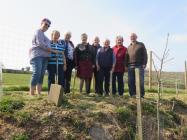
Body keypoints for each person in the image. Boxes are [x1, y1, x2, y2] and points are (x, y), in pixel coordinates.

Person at [29, 18, 55, 96]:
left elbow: (47, 44)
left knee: (41, 74)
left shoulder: (45, 36)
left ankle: (39, 92)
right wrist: (50, 49)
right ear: (41, 23)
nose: (46, 26)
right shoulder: (38, 31)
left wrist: (48, 50)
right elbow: (40, 43)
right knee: (37, 73)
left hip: (45, 57)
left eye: (48, 26)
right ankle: (32, 93)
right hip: (37, 55)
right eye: (45, 24)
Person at [125, 33, 147, 98]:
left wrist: (144, 63)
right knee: (130, 81)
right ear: (130, 38)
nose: (132, 38)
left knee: (140, 81)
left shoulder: (141, 44)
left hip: (139, 65)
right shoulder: (128, 47)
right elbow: (126, 57)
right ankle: (132, 94)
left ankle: (141, 95)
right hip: (130, 66)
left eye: (134, 36)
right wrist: (125, 66)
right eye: (131, 37)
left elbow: (145, 54)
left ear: (136, 37)